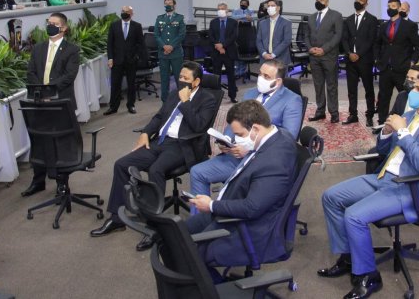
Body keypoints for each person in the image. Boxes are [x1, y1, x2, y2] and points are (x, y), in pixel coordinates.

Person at [319, 75, 419, 299]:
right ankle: (349, 257)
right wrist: (387, 132)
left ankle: (368, 275)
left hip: (410, 186)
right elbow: (383, 150)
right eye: (413, 87)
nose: (412, 91)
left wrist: (403, 132)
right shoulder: (409, 115)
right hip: (384, 177)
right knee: (331, 196)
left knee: (354, 216)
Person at [90, 62, 217, 252]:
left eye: (186, 78)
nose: (181, 80)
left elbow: (199, 126)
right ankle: (116, 219)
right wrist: (146, 133)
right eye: (180, 77)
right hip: (160, 141)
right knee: (122, 164)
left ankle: (154, 227)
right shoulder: (174, 93)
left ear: (196, 82)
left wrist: (186, 102)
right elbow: (159, 117)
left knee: (156, 169)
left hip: (183, 145)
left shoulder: (207, 99)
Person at [187, 100, 298, 272]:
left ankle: (210, 286)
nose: (237, 139)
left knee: (188, 254)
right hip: (229, 209)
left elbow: (251, 208)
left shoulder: (274, 161)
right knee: (176, 233)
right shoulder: (276, 135)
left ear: (256, 129)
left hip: (246, 227)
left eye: (239, 134)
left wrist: (211, 205)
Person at [188, 59, 302, 211]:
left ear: (278, 81)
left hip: (260, 161)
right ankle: (200, 220)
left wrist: (250, 150)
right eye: (260, 74)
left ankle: (217, 210)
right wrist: (227, 140)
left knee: (234, 191)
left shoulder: (292, 100)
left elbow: (288, 138)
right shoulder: (250, 93)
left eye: (266, 76)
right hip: (234, 156)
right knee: (197, 172)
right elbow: (234, 121)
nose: (260, 78)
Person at [21, 13, 81, 196]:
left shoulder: (72, 50)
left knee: (61, 143)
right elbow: (31, 72)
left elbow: (69, 76)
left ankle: (62, 183)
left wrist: (49, 91)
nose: (50, 26)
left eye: (54, 23)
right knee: (39, 141)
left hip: (60, 102)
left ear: (64, 28)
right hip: (39, 102)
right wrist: (41, 92)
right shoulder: (38, 48)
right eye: (49, 23)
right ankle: (38, 180)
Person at [374, 0, 419, 126]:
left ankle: (406, 121)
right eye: (388, 6)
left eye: (393, 6)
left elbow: (418, 45)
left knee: (406, 96)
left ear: (399, 8)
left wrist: (412, 62)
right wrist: (378, 59)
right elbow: (377, 44)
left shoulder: (409, 26)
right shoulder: (383, 26)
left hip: (402, 68)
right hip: (385, 68)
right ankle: (382, 122)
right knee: (383, 97)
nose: (390, 8)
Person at [305, 0, 344, 123]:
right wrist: (310, 48)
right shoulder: (311, 17)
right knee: (318, 85)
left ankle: (334, 113)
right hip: (314, 57)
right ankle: (320, 112)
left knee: (331, 86)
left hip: (329, 56)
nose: (318, 2)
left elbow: (337, 36)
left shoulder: (336, 15)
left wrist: (324, 49)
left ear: (327, 1)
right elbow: (306, 36)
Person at [342, 0, 378, 126]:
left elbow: (371, 40)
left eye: (361, 0)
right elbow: (344, 39)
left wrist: (359, 54)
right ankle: (353, 115)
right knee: (351, 89)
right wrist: (349, 53)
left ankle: (369, 115)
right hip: (350, 60)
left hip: (365, 60)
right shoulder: (348, 20)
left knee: (369, 89)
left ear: (366, 4)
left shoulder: (372, 19)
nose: (358, 1)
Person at [104, 6, 145, 116]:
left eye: (126, 12)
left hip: (131, 60)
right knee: (115, 84)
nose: (124, 13)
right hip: (117, 60)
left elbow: (141, 44)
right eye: (122, 11)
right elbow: (110, 44)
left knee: (131, 84)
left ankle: (131, 105)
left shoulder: (137, 26)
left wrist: (137, 56)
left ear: (131, 14)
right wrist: (110, 58)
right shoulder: (114, 25)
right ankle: (113, 107)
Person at [154, 0, 186, 102]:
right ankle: (165, 101)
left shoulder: (180, 18)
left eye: (170, 3)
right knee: (164, 79)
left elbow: (181, 34)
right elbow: (156, 35)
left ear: (174, 5)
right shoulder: (159, 18)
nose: (168, 5)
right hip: (163, 53)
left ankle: (183, 100)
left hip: (176, 53)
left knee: (179, 78)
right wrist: (164, 46)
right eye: (166, 3)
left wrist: (171, 46)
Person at [209, 2, 238, 102]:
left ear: (227, 10)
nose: (220, 11)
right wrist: (218, 47)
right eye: (218, 9)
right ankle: (216, 97)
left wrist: (223, 45)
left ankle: (232, 96)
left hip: (229, 52)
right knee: (216, 75)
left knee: (231, 75)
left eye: (222, 9)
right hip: (216, 52)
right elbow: (211, 36)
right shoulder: (213, 22)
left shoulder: (233, 22)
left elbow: (234, 36)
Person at [255, 0, 292, 66]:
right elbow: (258, 41)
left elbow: (286, 41)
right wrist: (264, 53)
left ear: (278, 8)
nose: (270, 8)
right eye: (268, 6)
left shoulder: (286, 23)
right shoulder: (262, 23)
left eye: (272, 6)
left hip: (281, 59)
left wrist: (273, 54)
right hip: (264, 59)